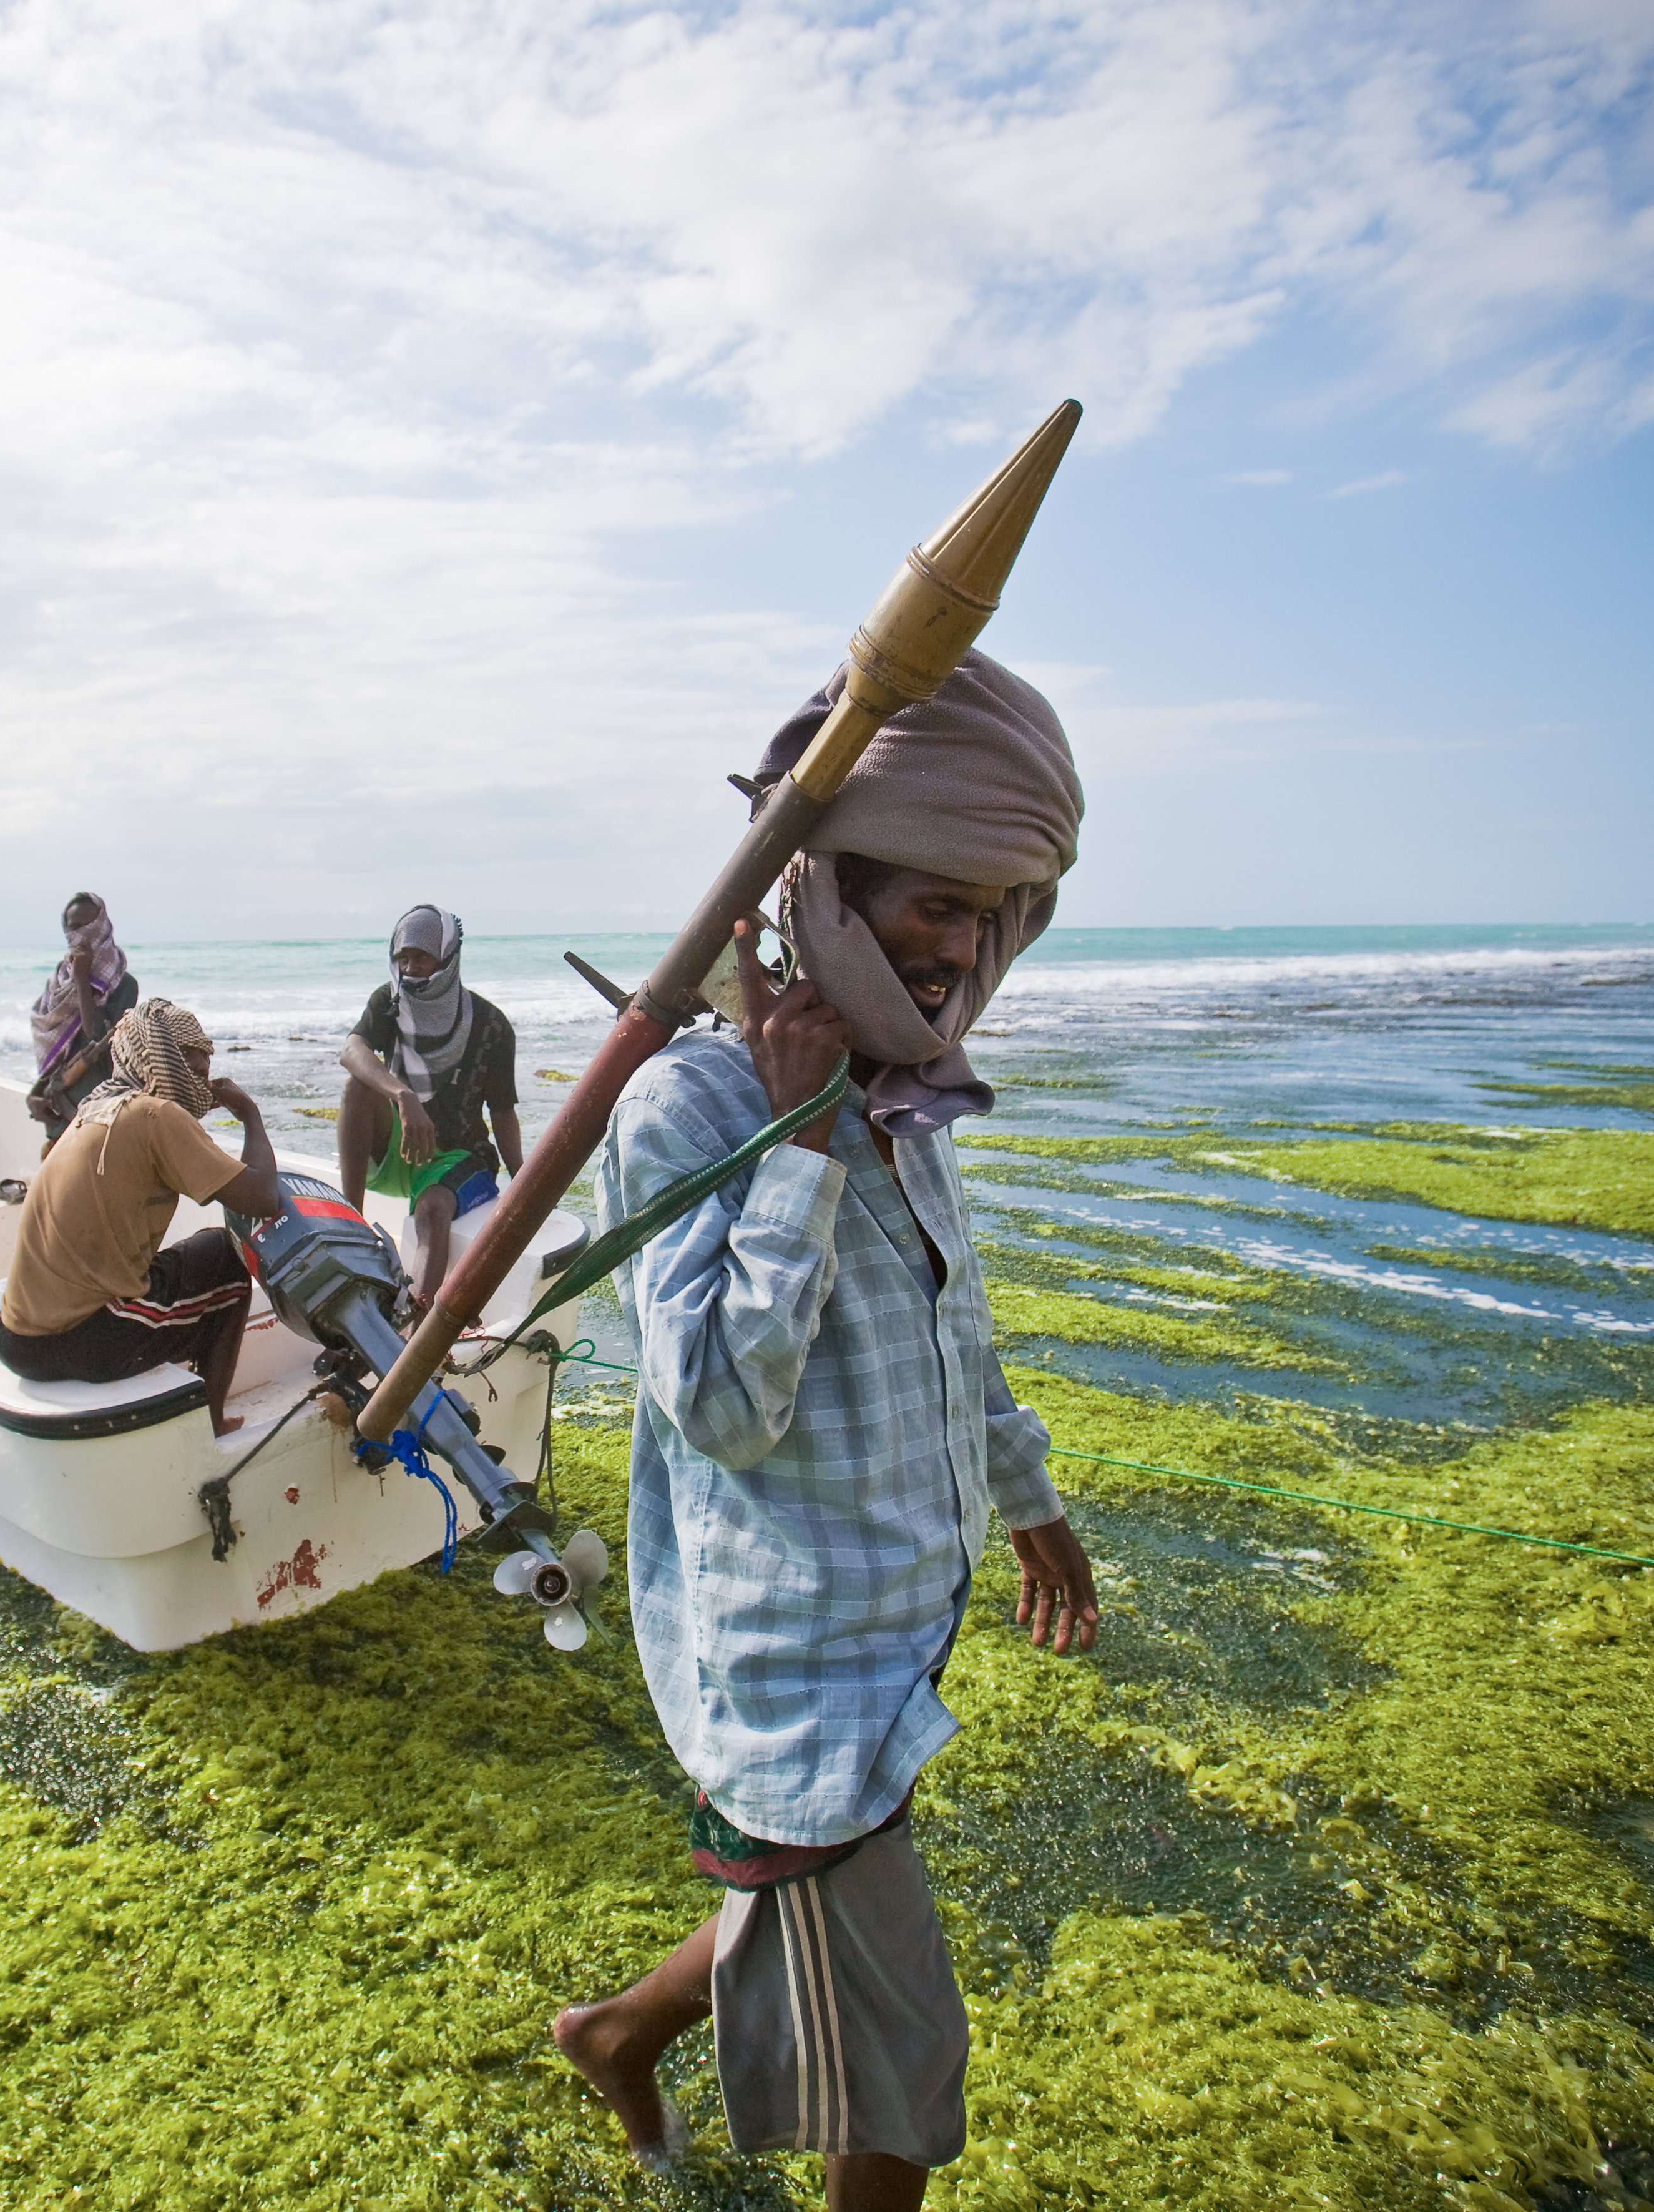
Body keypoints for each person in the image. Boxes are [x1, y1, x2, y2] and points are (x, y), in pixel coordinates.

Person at [549, 653, 1103, 2210]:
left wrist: (1027, 1497)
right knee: (908, 2085)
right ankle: (614, 2033)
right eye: (927, 903)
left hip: (895, 1636)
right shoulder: (695, 1109)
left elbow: (953, 1339)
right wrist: (797, 1147)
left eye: (984, 912)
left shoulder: (911, 1099)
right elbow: (723, 1408)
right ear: (836, 893)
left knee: (811, 1921)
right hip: (786, 1657)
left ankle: (614, 2031)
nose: (955, 945)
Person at [0, 1001, 281, 1435]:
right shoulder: (155, 1114)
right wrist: (250, 1114)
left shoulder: (92, 1110)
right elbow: (262, 1198)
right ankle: (213, 1420)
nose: (201, 1086)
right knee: (226, 1261)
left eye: (206, 1073)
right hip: (85, 1339)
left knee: (196, 1252)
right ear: (159, 1060)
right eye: (193, 1071)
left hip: (15, 1339)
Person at [336, 905, 521, 1315]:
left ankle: (416, 1327)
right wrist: (404, 1097)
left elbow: (503, 1112)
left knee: (434, 1210)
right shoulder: (389, 1002)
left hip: (460, 1157)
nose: (410, 967)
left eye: (421, 956)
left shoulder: (491, 1025)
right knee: (357, 1086)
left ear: (448, 956)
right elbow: (351, 1050)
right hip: (406, 1145)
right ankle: (351, 1228)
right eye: (402, 957)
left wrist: (524, 1180)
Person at [26, 893, 140, 1144]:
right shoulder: (59, 983)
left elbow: (97, 1036)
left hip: (99, 1114)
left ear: (102, 927)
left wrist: (82, 981)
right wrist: (34, 1096)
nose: (79, 934)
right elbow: (58, 1052)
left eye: (88, 926)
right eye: (73, 927)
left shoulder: (123, 985)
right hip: (60, 1115)